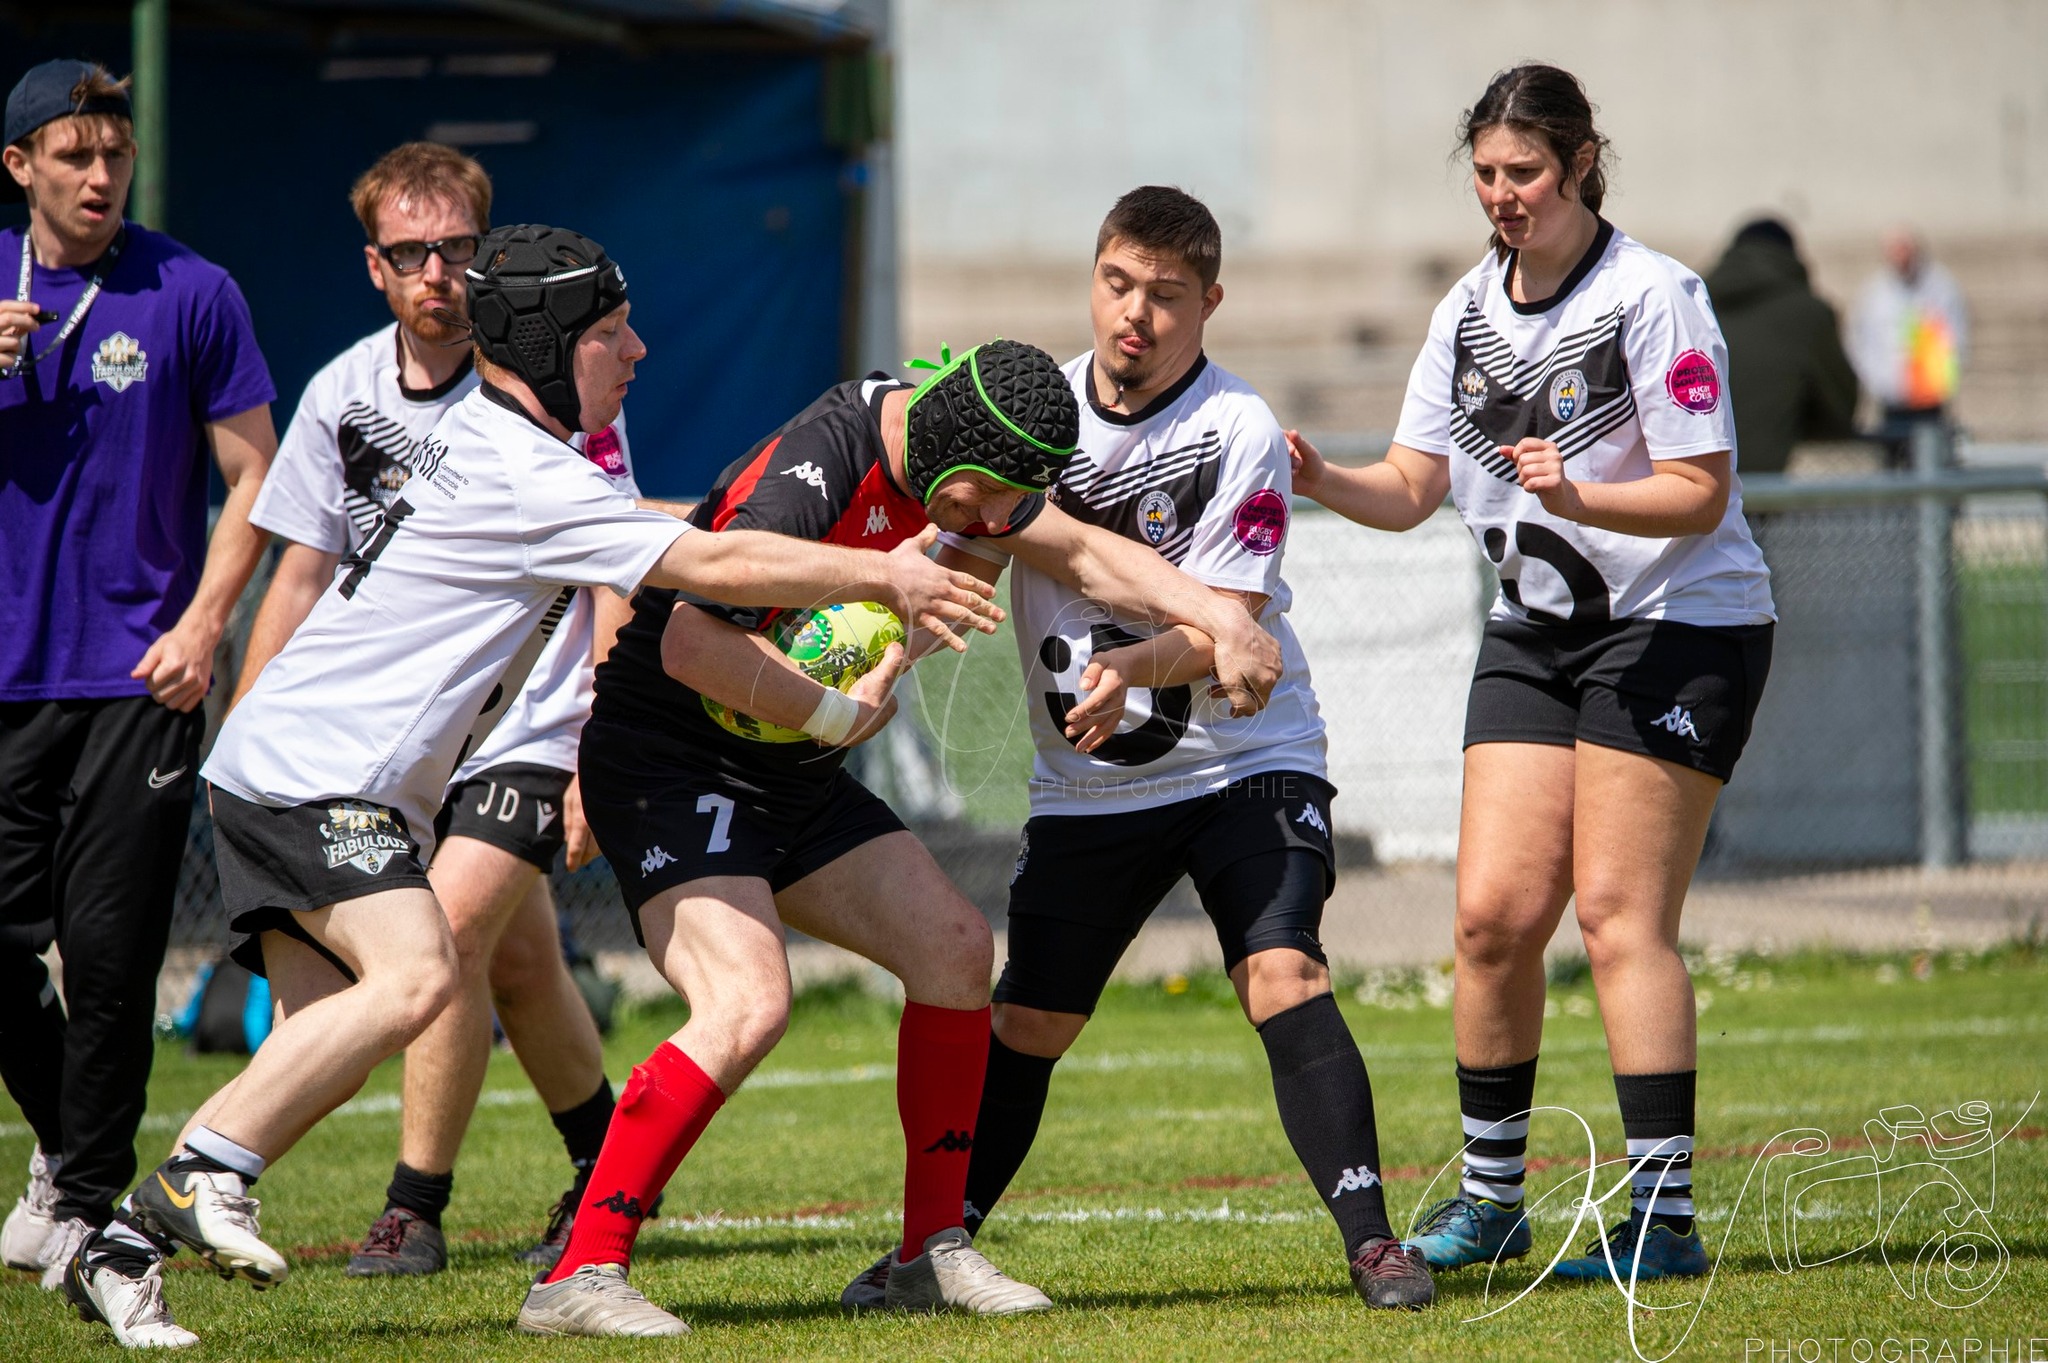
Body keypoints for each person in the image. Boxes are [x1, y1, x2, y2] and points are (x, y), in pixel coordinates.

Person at [57, 223, 1004, 1350]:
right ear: (552, 347)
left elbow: (673, 539)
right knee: (419, 973)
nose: (637, 352)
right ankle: (202, 1183)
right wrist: (882, 575)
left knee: (319, 1046)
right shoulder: (525, 468)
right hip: (316, 772)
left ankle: (121, 1247)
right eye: (612, 333)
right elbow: (706, 564)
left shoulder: (502, 445)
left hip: (298, 767)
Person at [527, 336, 1285, 1337]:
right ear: (951, 464)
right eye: (989, 506)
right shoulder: (818, 467)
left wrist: (1223, 621)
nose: (994, 529)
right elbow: (687, 641)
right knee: (747, 1000)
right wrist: (835, 710)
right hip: (669, 757)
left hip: (788, 765)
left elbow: (1085, 552)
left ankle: (927, 1251)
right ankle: (579, 1271)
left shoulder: (964, 459)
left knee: (954, 948)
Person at [840, 186, 1435, 1311]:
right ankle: (935, 1247)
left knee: (1283, 971)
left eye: (1165, 294)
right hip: (1089, 789)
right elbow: (962, 563)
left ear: (1210, 302)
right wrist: (879, 666)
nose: (1135, 314)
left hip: (1242, 760)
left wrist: (1134, 668)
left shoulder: (1239, 429)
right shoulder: (1036, 414)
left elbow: (1231, 627)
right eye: (1117, 283)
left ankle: (1374, 1243)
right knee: (1030, 1020)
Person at [1288, 64, 1774, 1284]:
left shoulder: (1654, 296)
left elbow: (1698, 491)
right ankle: (1492, 1202)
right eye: (1486, 175)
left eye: (1525, 173)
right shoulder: (1463, 311)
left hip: (1674, 625)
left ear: (1579, 164)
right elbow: (1410, 485)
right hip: (1536, 631)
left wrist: (1578, 491)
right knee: (1491, 917)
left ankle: (1661, 1220)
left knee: (1615, 916)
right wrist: (1319, 477)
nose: (1503, 195)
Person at [231, 143, 641, 1277]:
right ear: (374, 265)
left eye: (457, 248)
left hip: (524, 722)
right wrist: (254, 733)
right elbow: (300, 575)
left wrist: (597, 741)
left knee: (443, 939)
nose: (436, 274)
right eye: (410, 253)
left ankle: (411, 1206)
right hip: (390, 740)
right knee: (521, 964)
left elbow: (619, 570)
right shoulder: (343, 393)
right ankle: (612, 1167)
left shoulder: (552, 379)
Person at [0, 59, 277, 1289]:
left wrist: (206, 624)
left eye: (115, 152)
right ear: (21, 166)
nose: (101, 174)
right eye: (75, 155)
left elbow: (256, 474)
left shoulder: (191, 290)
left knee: (111, 961)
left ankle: (83, 1212)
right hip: (5, 677)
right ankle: (71, 1151)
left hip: (139, 680)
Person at [1702, 218, 1858, 476]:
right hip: (1767, 478)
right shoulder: (1808, 314)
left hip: (1696, 477)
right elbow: (1840, 405)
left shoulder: (1695, 300)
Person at [1849, 228, 1967, 469]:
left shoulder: (1942, 288)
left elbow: (1957, 337)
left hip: (1930, 399)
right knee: (1893, 467)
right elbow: (1859, 341)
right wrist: (1877, 382)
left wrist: (1946, 379)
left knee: (1934, 465)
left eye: (1906, 251)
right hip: (1893, 400)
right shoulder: (1875, 293)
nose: (1901, 258)